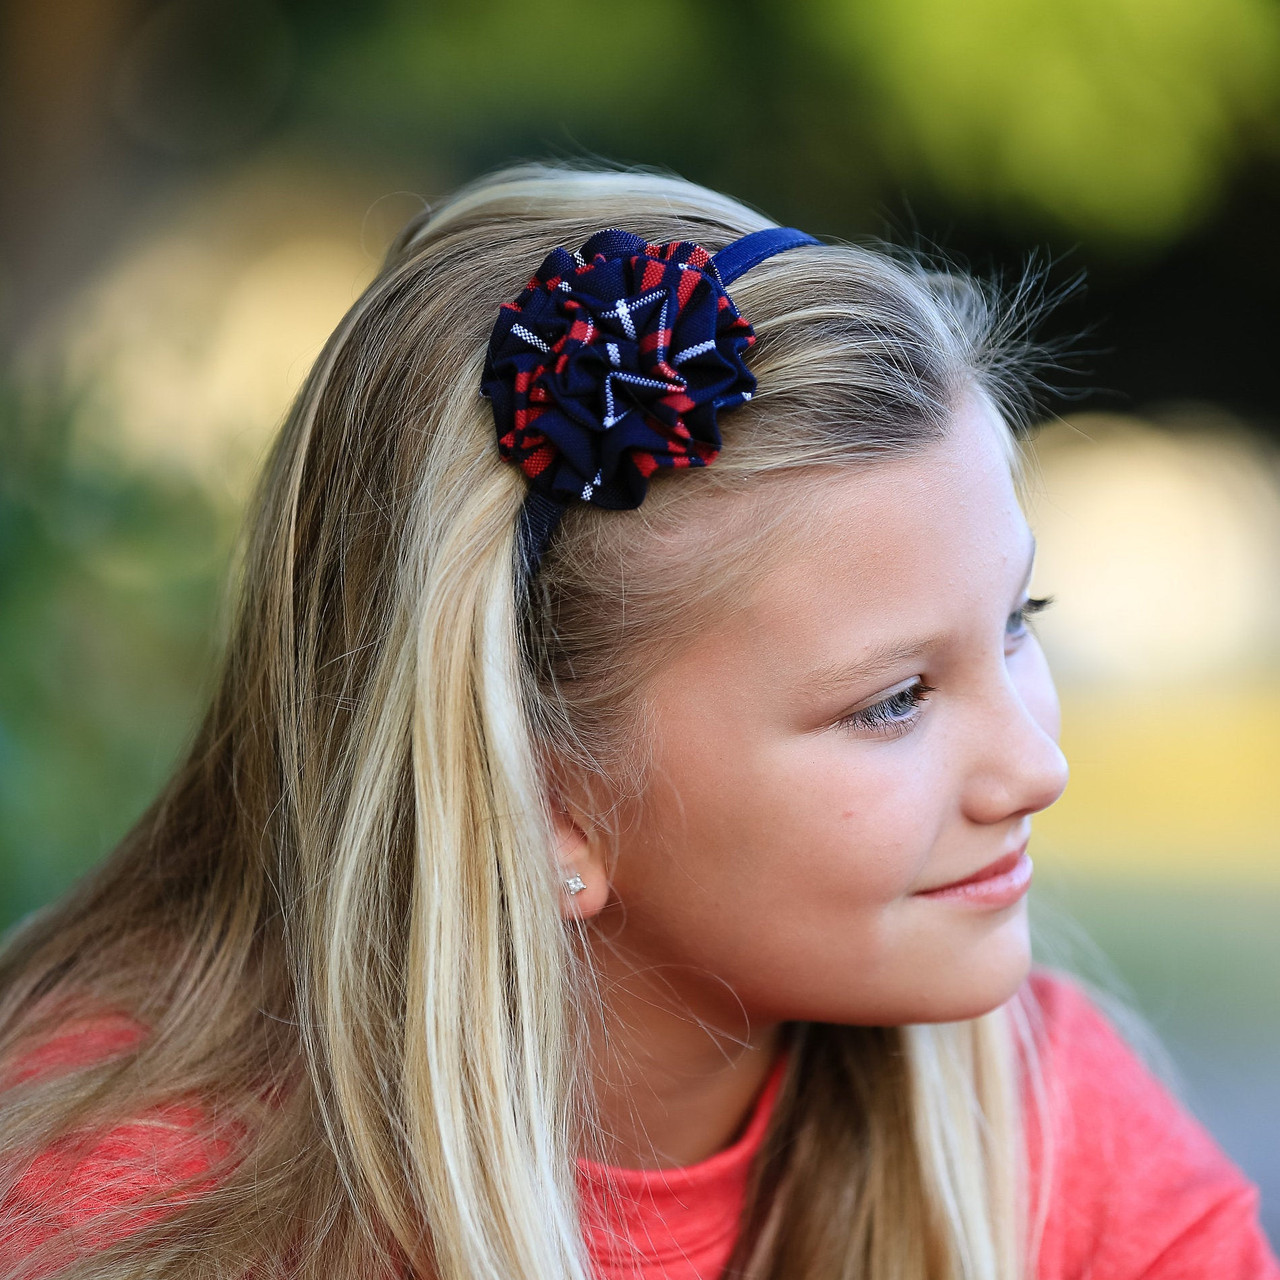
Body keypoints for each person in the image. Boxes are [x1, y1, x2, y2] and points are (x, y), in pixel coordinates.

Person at [0, 162, 1274, 1280]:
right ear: (540, 796)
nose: (1037, 766)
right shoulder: (119, 1212)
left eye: (1015, 617)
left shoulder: (1043, 1131)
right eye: (892, 700)